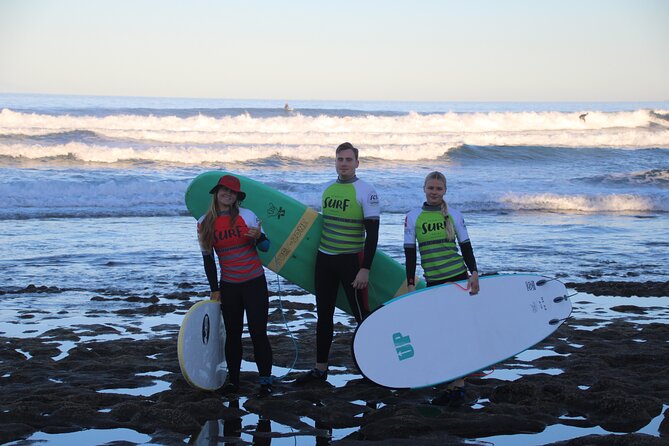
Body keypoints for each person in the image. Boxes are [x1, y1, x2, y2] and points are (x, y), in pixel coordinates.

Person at [295, 142, 380, 384]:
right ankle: (320, 369)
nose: (343, 163)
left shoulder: (366, 191)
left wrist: (365, 269)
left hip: (350, 261)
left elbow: (373, 234)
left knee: (361, 316)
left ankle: (374, 367)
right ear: (335, 162)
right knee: (323, 315)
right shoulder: (328, 190)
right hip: (324, 259)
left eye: (348, 159)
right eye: (340, 159)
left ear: (357, 163)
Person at [404, 171, 480, 406]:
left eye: (438, 188)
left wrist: (474, 272)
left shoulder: (454, 216)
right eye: (431, 188)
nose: (434, 192)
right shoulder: (413, 216)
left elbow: (466, 247)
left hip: (457, 280)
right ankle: (453, 384)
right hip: (433, 283)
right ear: (424, 188)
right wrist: (409, 283)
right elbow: (410, 252)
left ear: (444, 191)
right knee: (440, 333)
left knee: (455, 332)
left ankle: (457, 387)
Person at [197, 174, 274, 397]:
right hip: (229, 286)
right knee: (233, 334)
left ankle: (265, 381)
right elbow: (208, 259)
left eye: (233, 192)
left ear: (237, 197)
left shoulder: (247, 216)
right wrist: (215, 289)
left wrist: (259, 237)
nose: (228, 195)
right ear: (217, 192)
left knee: (259, 333)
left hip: (254, 283)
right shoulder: (204, 223)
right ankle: (234, 381)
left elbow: (266, 247)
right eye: (225, 190)